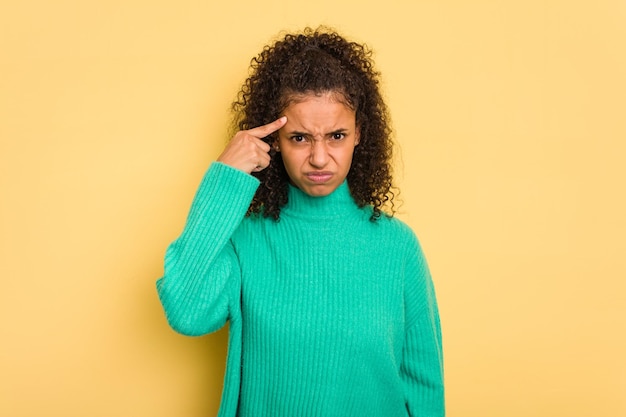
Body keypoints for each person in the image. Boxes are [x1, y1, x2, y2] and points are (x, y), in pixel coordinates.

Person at [156, 27, 444, 417]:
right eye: (300, 138)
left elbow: (424, 386)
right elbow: (186, 312)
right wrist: (224, 181)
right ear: (274, 140)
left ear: (359, 133)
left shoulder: (398, 246)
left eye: (336, 135)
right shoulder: (246, 240)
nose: (320, 158)